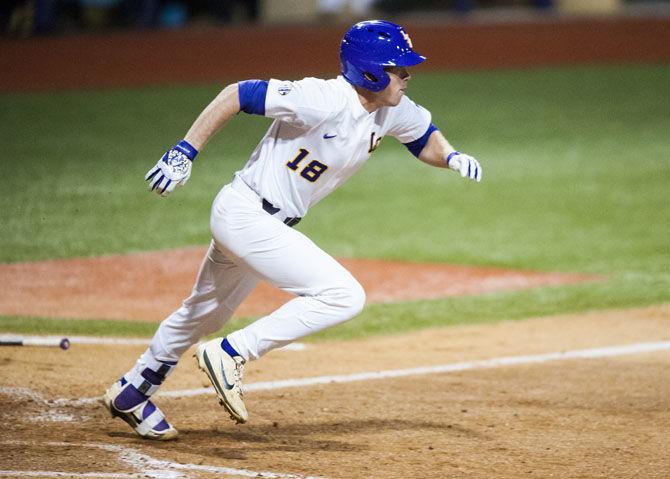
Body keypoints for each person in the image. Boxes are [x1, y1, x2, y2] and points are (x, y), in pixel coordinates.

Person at [103, 19, 482, 440]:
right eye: (399, 69)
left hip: (258, 222)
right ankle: (232, 353)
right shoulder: (322, 98)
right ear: (371, 71)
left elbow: (423, 137)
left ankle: (133, 391)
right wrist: (184, 151)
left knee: (205, 313)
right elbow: (238, 93)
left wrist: (450, 157)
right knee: (343, 295)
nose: (408, 77)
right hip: (246, 215)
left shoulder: (389, 109)